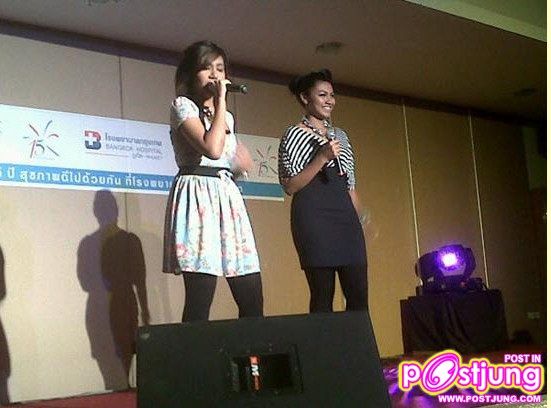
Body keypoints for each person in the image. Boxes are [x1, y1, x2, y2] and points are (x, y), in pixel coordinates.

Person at [163, 40, 263, 322]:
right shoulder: (182, 107)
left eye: (220, 68)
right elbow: (212, 149)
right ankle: (193, 353)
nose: (215, 75)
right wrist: (221, 102)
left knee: (251, 296)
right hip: (197, 200)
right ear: (191, 74)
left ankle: (250, 352)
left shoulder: (226, 117)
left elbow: (224, 159)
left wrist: (240, 167)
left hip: (227, 201)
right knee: (200, 297)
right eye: (207, 68)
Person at [278, 69, 368, 313]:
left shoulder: (341, 136)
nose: (329, 100)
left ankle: (356, 340)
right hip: (314, 220)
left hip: (346, 221)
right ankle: (323, 340)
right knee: (322, 295)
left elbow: (350, 183)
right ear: (305, 98)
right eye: (322, 95)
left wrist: (362, 219)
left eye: (332, 95)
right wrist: (322, 157)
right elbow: (290, 185)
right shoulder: (294, 134)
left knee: (358, 297)